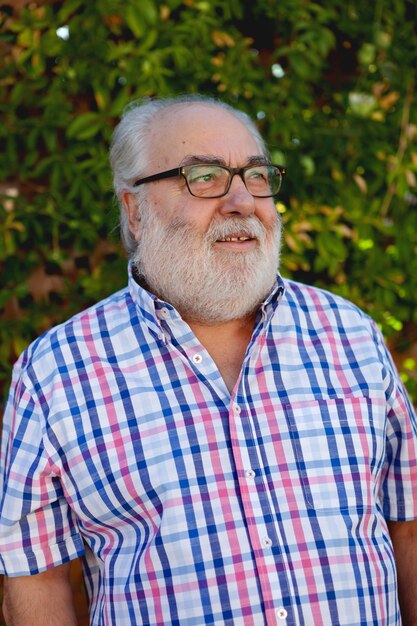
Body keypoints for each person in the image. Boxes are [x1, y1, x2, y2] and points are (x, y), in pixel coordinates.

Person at [1, 94, 416, 626]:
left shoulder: (350, 334)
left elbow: (409, 520)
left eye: (256, 175)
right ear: (134, 209)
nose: (242, 200)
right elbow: (36, 575)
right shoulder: (56, 372)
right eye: (204, 176)